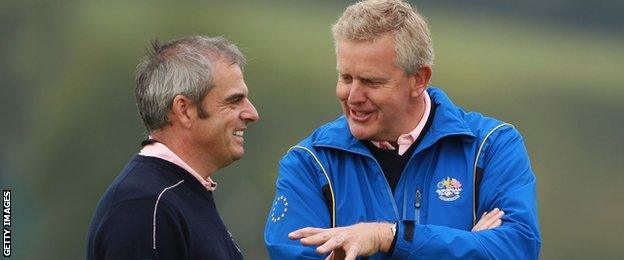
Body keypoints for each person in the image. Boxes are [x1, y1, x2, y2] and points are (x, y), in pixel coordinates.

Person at [264, 1, 540, 259]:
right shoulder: (308, 163)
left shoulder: (491, 146)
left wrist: (390, 237)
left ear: (419, 80)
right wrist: (466, 245)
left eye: (371, 82)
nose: (353, 97)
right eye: (346, 78)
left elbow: (517, 248)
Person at [87, 35, 259, 260]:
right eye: (233, 101)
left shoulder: (176, 193)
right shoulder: (145, 207)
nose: (252, 114)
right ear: (184, 110)